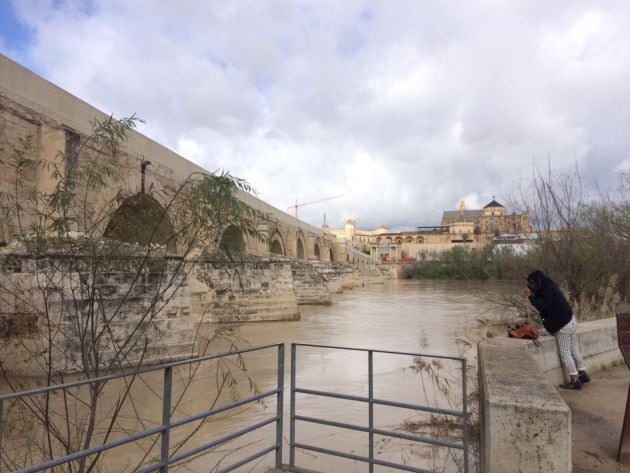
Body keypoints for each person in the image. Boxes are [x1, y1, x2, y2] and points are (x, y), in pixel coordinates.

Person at [525, 270, 590, 390]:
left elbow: (542, 305)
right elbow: (543, 300)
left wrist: (530, 296)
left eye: (532, 283)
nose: (531, 286)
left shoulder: (548, 290)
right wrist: (533, 293)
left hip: (563, 325)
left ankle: (575, 380)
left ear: (538, 281)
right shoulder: (550, 287)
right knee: (574, 348)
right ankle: (583, 374)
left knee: (565, 352)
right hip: (571, 321)